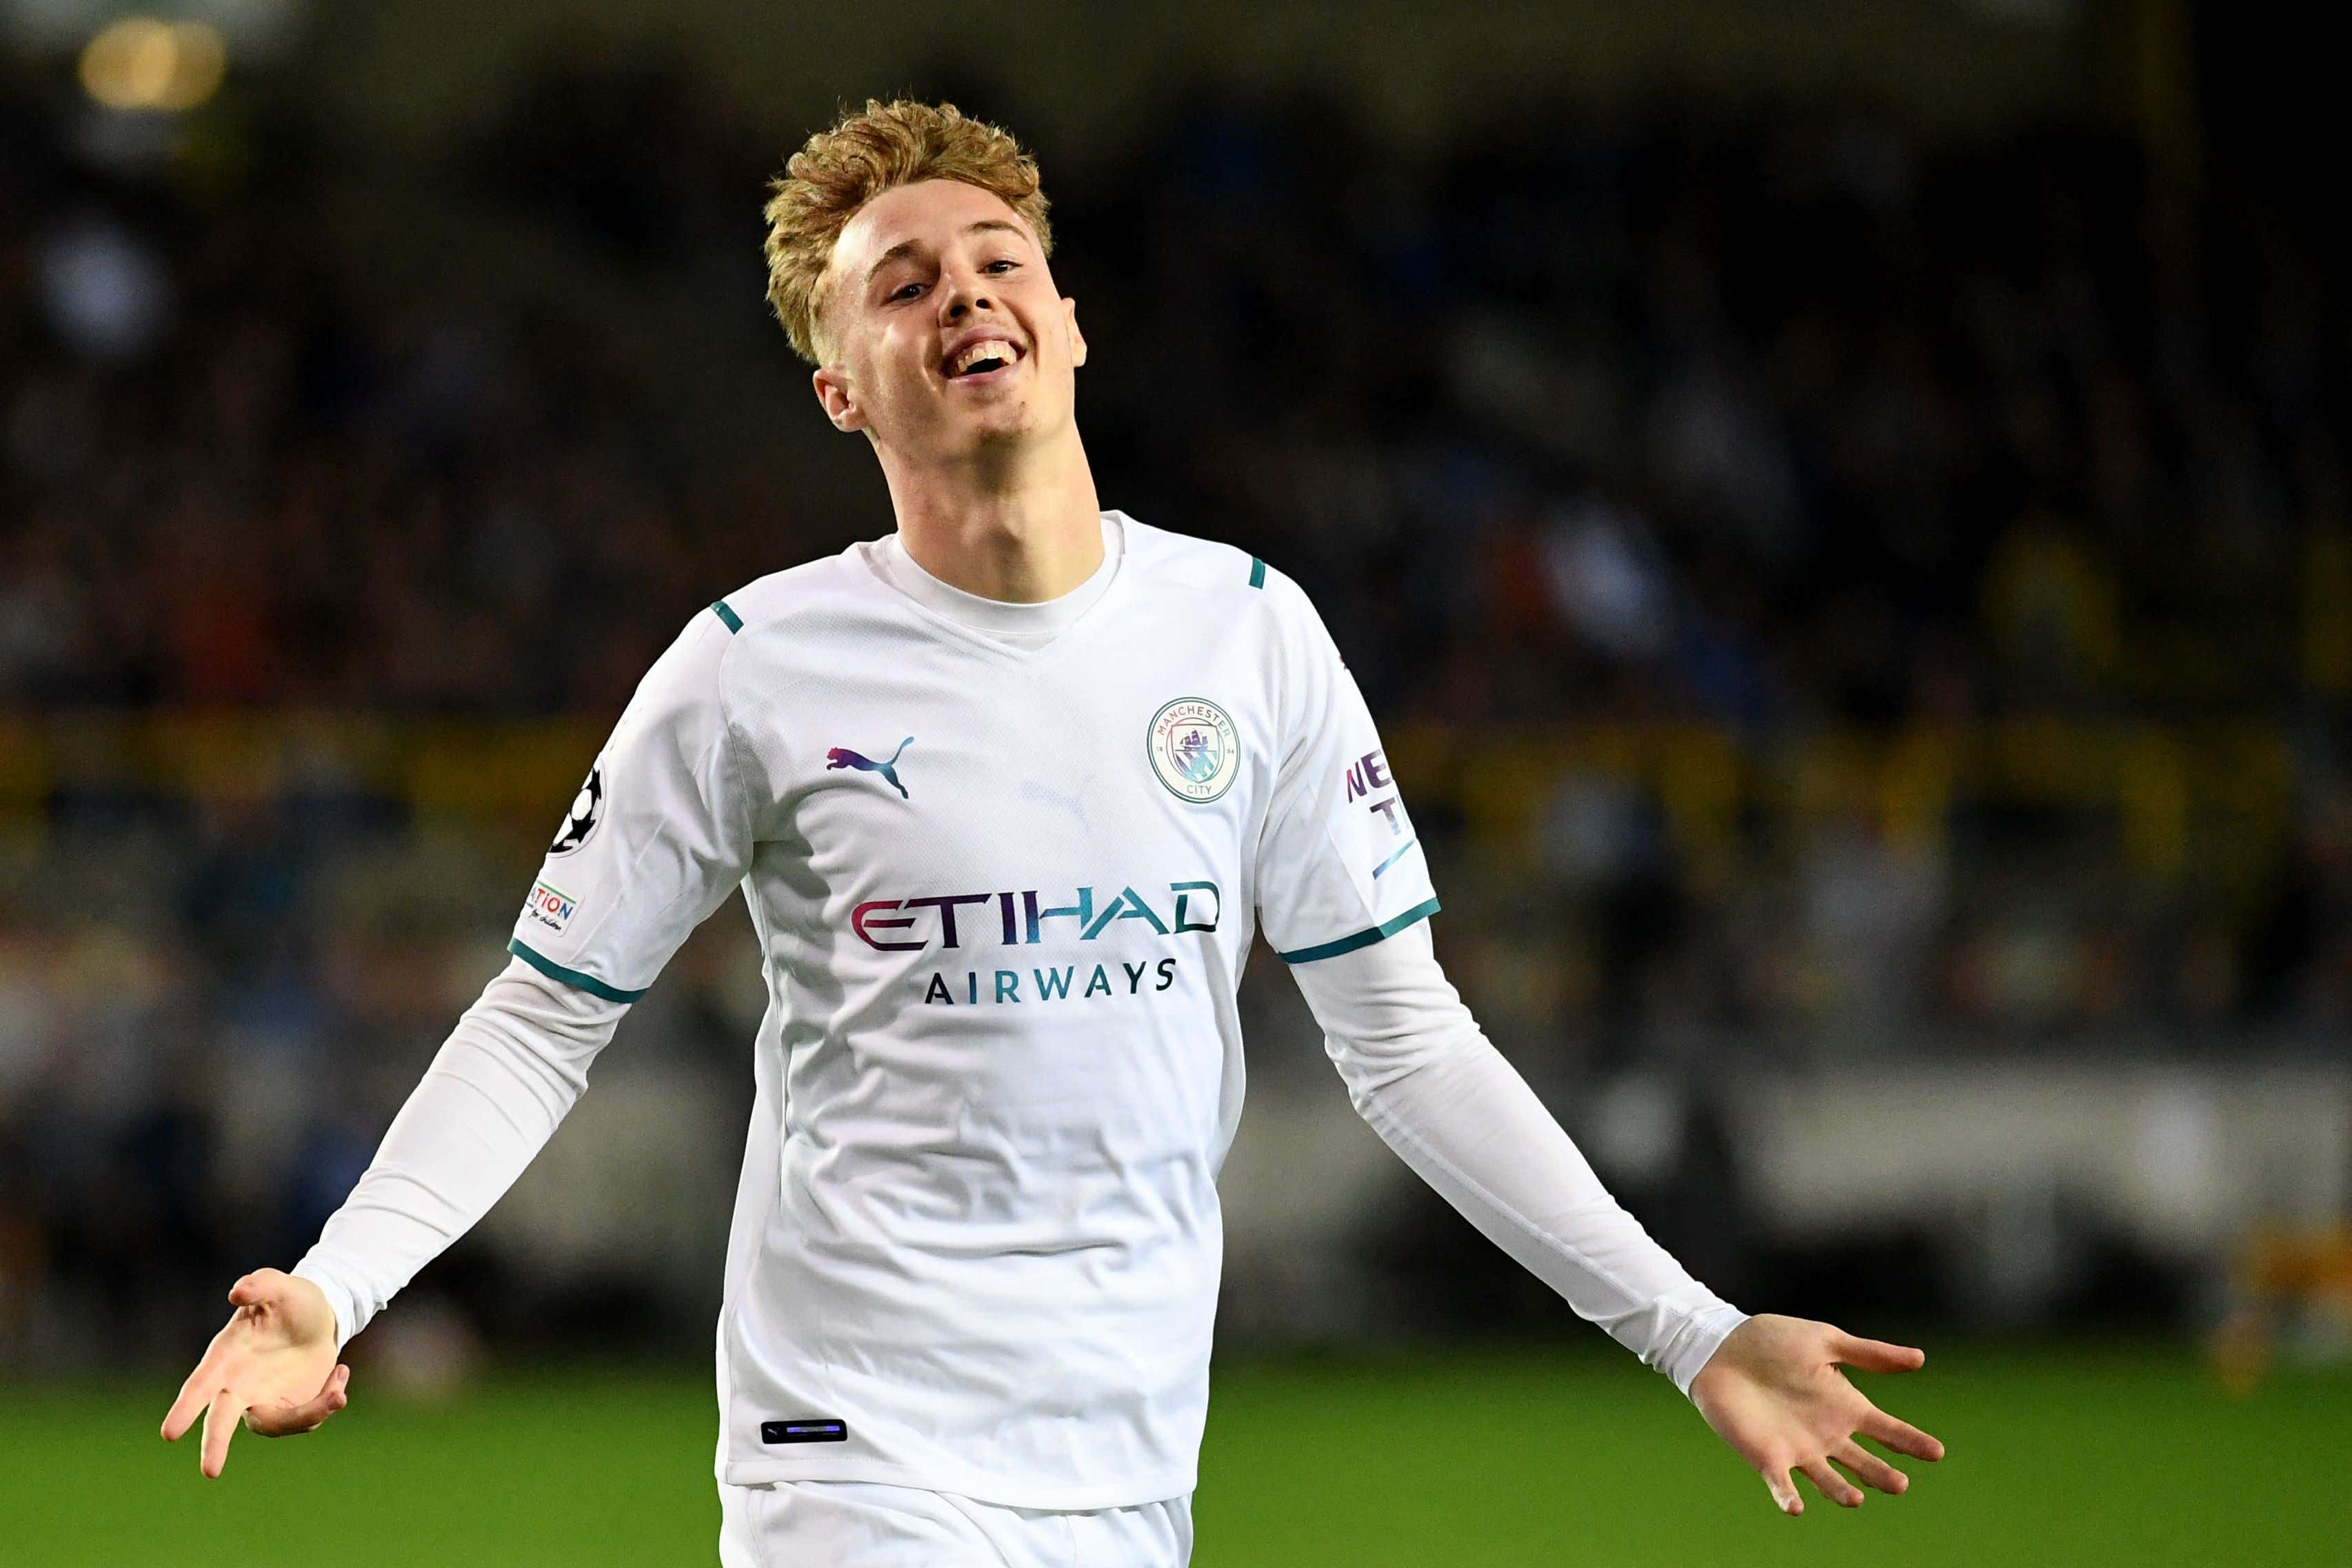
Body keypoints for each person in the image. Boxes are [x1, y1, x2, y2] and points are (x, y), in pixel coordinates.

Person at [160, 99, 1944, 1562]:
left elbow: (1405, 1040)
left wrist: (1691, 1329)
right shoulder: (751, 667)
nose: (964, 294)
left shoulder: (1247, 635)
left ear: (1069, 322)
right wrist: (339, 1287)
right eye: (904, 283)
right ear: (839, 386)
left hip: (1130, 1463)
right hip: (850, 1451)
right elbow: (548, 1014)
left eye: (998, 260)